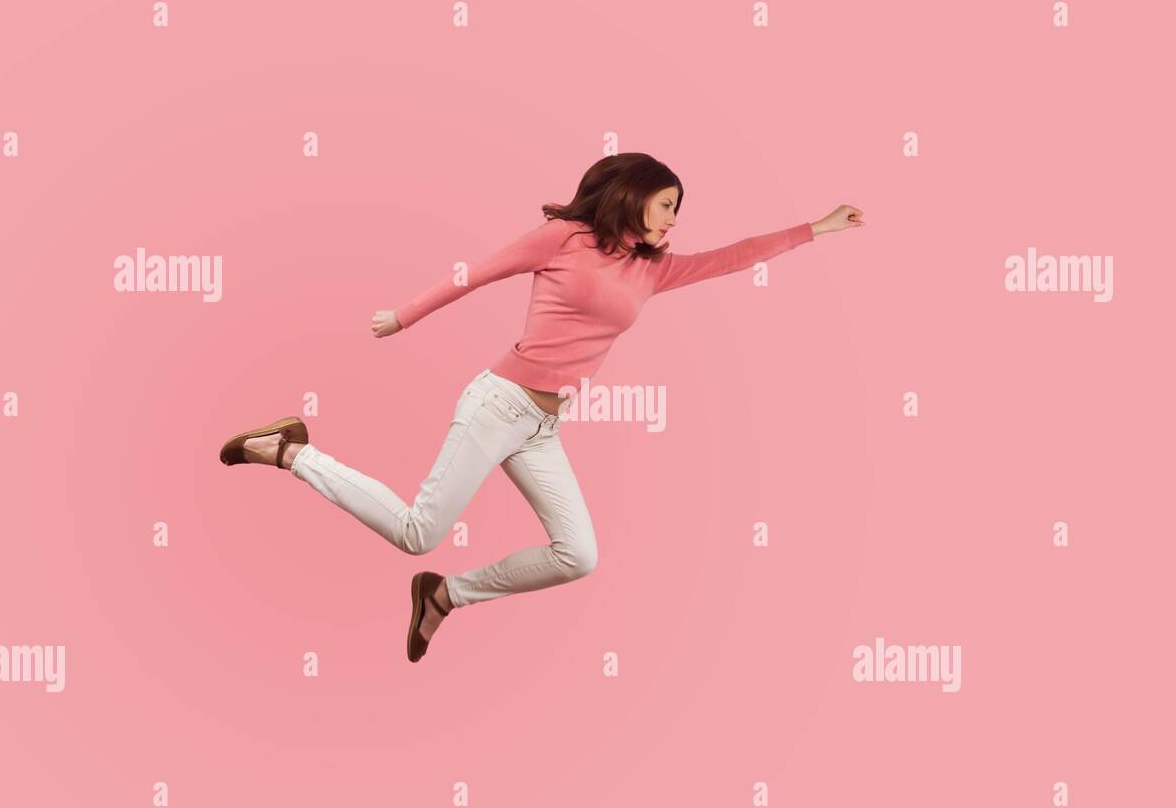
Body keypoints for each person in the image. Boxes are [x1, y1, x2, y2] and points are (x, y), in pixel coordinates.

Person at [218, 152, 864, 662]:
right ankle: (291, 451)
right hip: (497, 405)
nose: (673, 220)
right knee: (419, 533)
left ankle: (446, 595)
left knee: (577, 555)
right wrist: (404, 317)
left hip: (541, 424)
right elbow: (480, 270)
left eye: (676, 211)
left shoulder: (652, 270)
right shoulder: (564, 238)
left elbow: (732, 259)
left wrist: (817, 228)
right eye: (667, 205)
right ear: (633, 193)